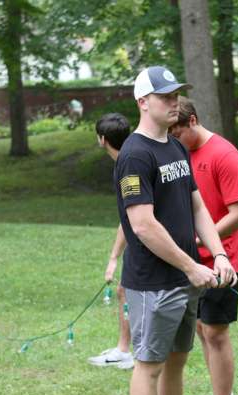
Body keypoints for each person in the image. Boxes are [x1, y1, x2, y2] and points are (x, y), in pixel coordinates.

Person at [116, 66, 237, 395]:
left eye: (176, 95)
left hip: (186, 279)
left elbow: (198, 206)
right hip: (153, 281)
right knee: (148, 364)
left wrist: (218, 254)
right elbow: (143, 225)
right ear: (142, 102)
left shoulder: (173, 147)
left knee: (176, 363)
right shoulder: (135, 154)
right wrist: (191, 266)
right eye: (164, 96)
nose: (173, 102)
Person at [169, 96, 238, 395]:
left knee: (215, 333)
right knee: (202, 331)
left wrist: (208, 241)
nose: (172, 139)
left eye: (176, 132)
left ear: (192, 121)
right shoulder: (179, 155)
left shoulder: (224, 154)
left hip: (223, 259)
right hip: (191, 260)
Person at [86, 112, 135, 370]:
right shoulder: (124, 163)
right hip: (139, 240)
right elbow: (127, 216)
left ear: (102, 140)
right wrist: (114, 257)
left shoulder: (127, 166)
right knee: (124, 291)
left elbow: (132, 215)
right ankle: (125, 349)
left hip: (147, 243)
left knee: (133, 294)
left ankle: (135, 352)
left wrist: (115, 258)